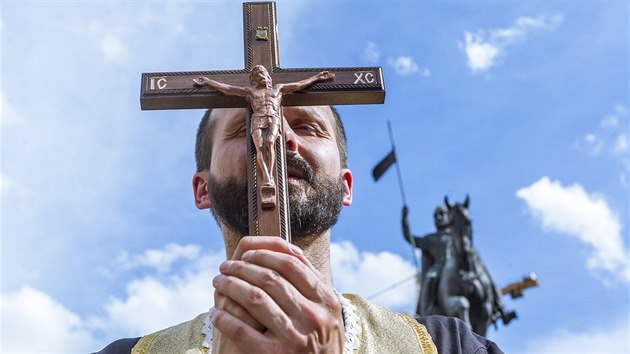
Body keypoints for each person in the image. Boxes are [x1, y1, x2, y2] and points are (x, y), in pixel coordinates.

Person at [95, 106, 504, 353]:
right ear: (203, 189)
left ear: (346, 186)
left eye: (307, 126)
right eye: (245, 127)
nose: (278, 138)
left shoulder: (450, 346)